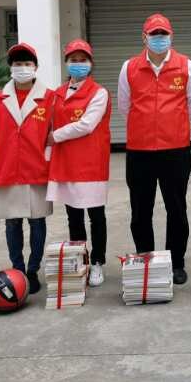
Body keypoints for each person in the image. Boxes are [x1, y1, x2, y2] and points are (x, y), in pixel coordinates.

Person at [118, 13, 191, 285]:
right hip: (139, 151)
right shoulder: (129, 67)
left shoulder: (186, 66)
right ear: (144, 38)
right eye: (154, 34)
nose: (159, 38)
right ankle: (146, 259)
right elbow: (125, 106)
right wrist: (146, 127)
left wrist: (169, 126)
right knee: (141, 210)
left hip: (175, 150)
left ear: (171, 36)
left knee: (176, 208)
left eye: (163, 34)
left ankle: (176, 262)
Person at [0, 43, 54, 295]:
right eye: (17, 64)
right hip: (7, 170)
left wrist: (47, 159)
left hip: (36, 170)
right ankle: (18, 269)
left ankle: (32, 270)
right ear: (10, 68)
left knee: (37, 222)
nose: (22, 68)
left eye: (27, 63)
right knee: (12, 223)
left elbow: (53, 135)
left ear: (35, 67)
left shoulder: (49, 98)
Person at [46, 39, 112, 287]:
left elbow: (87, 125)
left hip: (91, 163)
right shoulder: (57, 94)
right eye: (74, 60)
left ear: (91, 63)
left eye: (83, 60)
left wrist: (55, 136)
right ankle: (80, 260)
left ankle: (97, 262)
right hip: (67, 163)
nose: (78, 64)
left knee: (96, 216)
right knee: (73, 215)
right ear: (66, 63)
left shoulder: (99, 93)